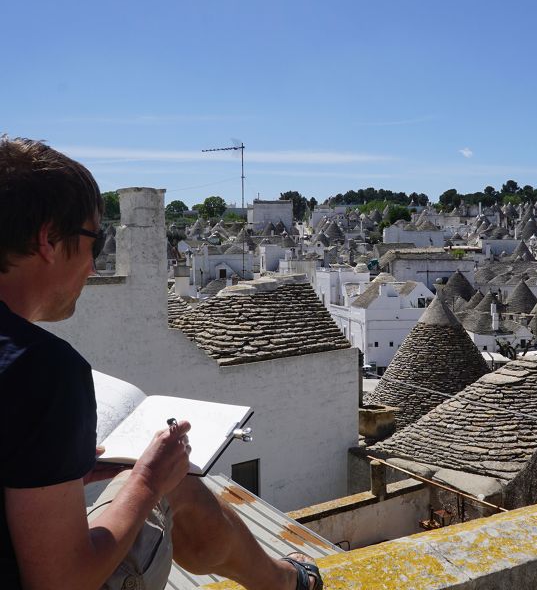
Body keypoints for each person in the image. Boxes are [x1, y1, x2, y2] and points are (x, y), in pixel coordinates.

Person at [0, 137, 322, 590]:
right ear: (47, 240)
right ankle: (287, 583)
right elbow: (62, 582)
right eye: (94, 241)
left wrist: (63, 469)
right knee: (178, 483)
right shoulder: (42, 369)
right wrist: (150, 479)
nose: (93, 267)